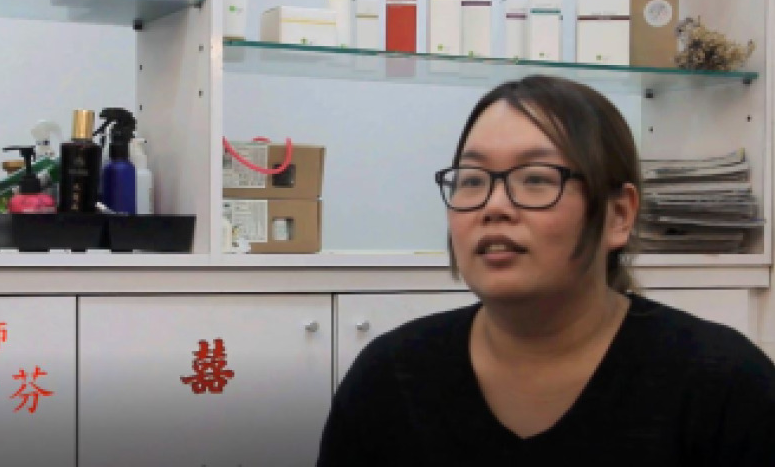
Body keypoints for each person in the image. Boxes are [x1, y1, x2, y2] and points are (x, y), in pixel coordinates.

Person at [316, 75, 775, 466]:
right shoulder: (389, 379)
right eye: (472, 180)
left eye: (535, 179)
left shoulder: (726, 388)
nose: (495, 206)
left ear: (618, 215)